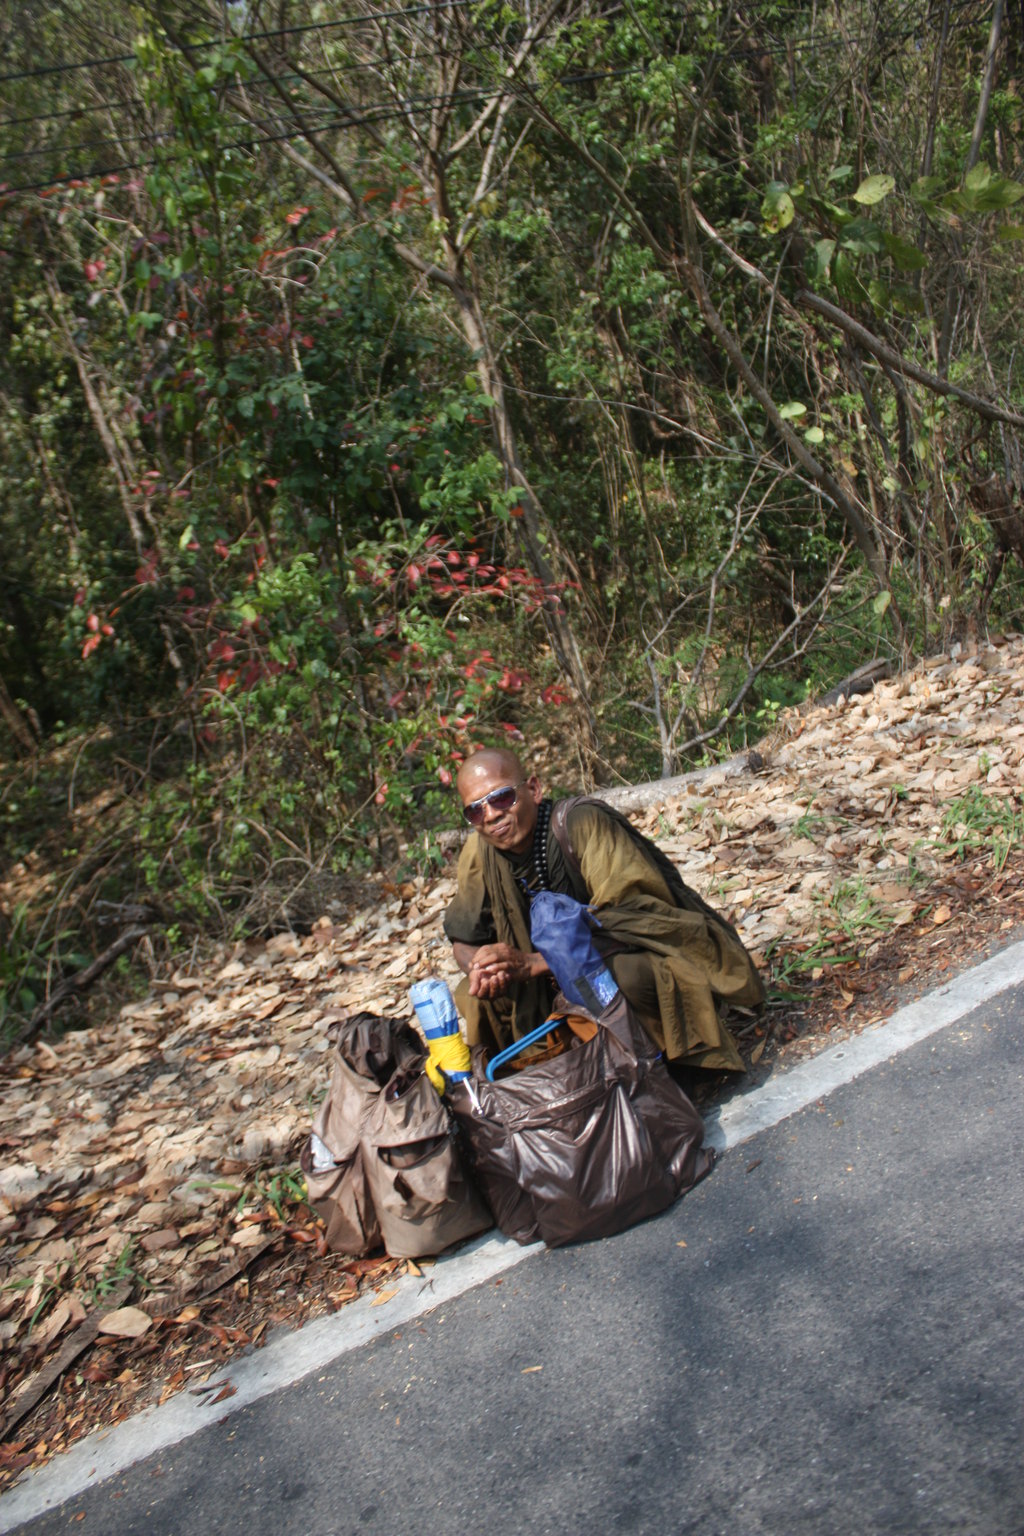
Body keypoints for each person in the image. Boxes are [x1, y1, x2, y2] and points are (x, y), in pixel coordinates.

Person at [443, 748, 764, 1072]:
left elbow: (637, 916)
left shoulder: (581, 823)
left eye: (501, 798)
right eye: (475, 811)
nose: (491, 815)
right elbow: (462, 939)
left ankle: (659, 1068)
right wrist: (481, 969)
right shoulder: (480, 853)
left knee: (613, 977)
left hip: (629, 956)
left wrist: (534, 964)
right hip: (544, 982)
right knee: (470, 997)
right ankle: (543, 1081)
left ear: (534, 789)